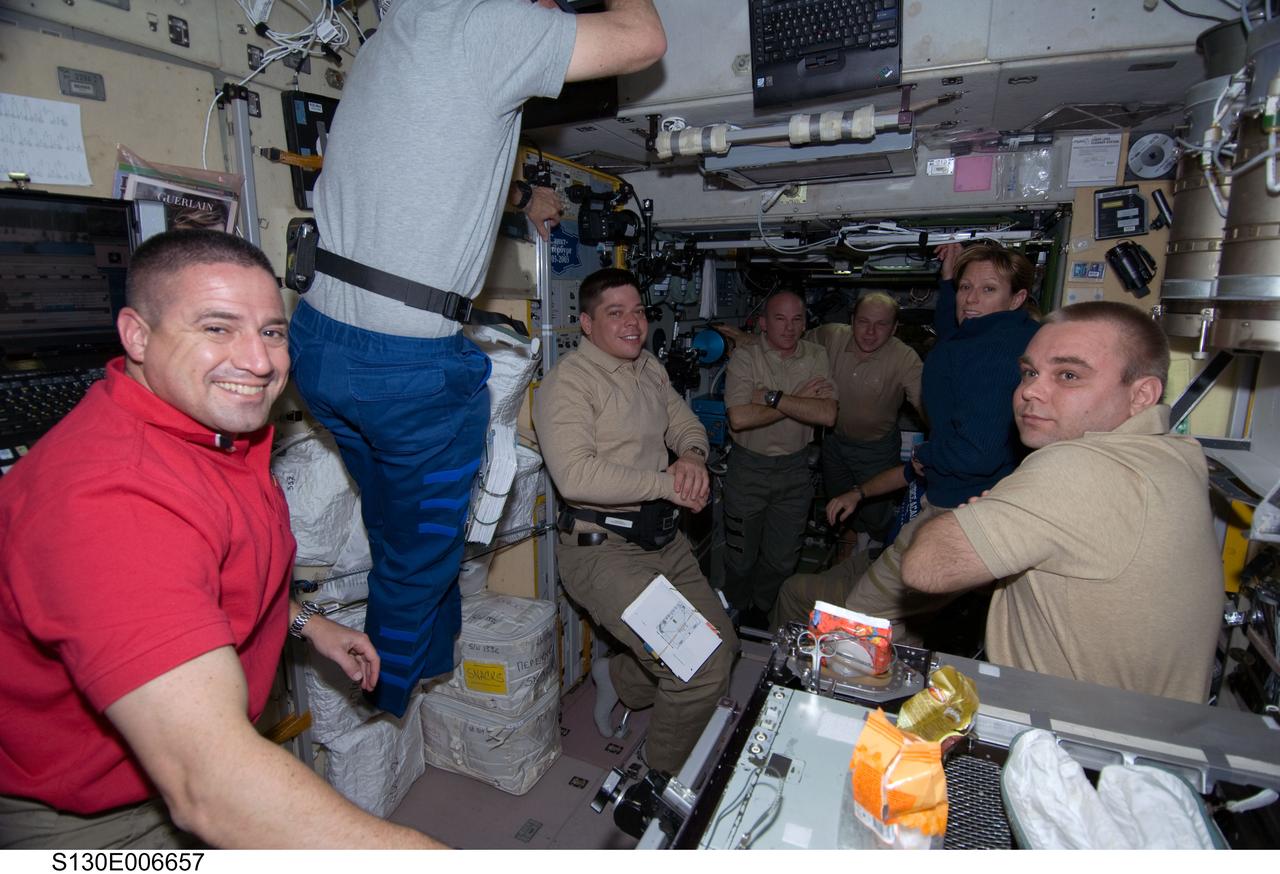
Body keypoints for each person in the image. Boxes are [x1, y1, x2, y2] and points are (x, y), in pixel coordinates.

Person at [0, 229, 444, 849]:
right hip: (101, 826)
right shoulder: (109, 500)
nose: (259, 362)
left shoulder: (211, 435)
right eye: (217, 327)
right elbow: (212, 784)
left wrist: (307, 623)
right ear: (136, 335)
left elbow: (211, 577)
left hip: (172, 781)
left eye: (271, 331)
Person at [287, 0, 666, 715]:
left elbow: (428, 159)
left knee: (399, 522)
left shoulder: (395, 36)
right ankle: (388, 691)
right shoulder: (482, 25)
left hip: (319, 342)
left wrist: (522, 194)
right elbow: (642, 37)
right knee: (419, 552)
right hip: (398, 369)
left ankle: (423, 645)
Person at [900, 302, 1222, 703]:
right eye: (1029, 372)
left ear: (1141, 395)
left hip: (1074, 745)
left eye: (1068, 375)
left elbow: (925, 568)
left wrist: (975, 512)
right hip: (1140, 738)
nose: (1030, 390)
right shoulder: (1180, 455)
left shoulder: (1080, 465)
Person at [533, 268, 739, 775]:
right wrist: (669, 484)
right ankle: (658, 781)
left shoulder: (647, 367)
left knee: (724, 645)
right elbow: (577, 476)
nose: (633, 324)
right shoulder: (567, 385)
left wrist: (691, 456)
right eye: (615, 313)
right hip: (601, 551)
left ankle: (619, 679)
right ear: (585, 323)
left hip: (660, 542)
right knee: (698, 668)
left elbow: (684, 423)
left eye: (638, 311)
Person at [774, 242, 1040, 633]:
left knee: (860, 616)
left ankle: (847, 680)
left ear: (1017, 298)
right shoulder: (981, 336)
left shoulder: (994, 354)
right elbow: (956, 332)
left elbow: (976, 451)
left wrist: (929, 455)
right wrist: (949, 280)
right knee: (888, 606)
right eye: (967, 288)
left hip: (959, 505)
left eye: (988, 289)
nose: (970, 300)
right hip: (940, 489)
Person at [722, 291, 835, 628]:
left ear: (805, 324)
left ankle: (761, 611)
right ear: (763, 323)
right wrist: (799, 399)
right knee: (740, 558)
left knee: (782, 560)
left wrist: (771, 398)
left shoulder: (817, 355)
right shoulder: (746, 357)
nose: (789, 327)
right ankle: (735, 610)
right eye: (780, 319)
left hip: (795, 472)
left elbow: (827, 414)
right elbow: (739, 419)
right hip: (748, 469)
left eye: (797, 319)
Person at [809, 292, 923, 553]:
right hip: (834, 444)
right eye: (863, 322)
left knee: (876, 513)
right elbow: (792, 346)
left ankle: (873, 552)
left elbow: (925, 403)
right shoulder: (831, 336)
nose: (870, 332)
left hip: (877, 450)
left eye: (881, 324)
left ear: (894, 328)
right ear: (852, 320)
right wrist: (753, 343)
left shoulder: (905, 358)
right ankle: (847, 549)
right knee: (838, 504)